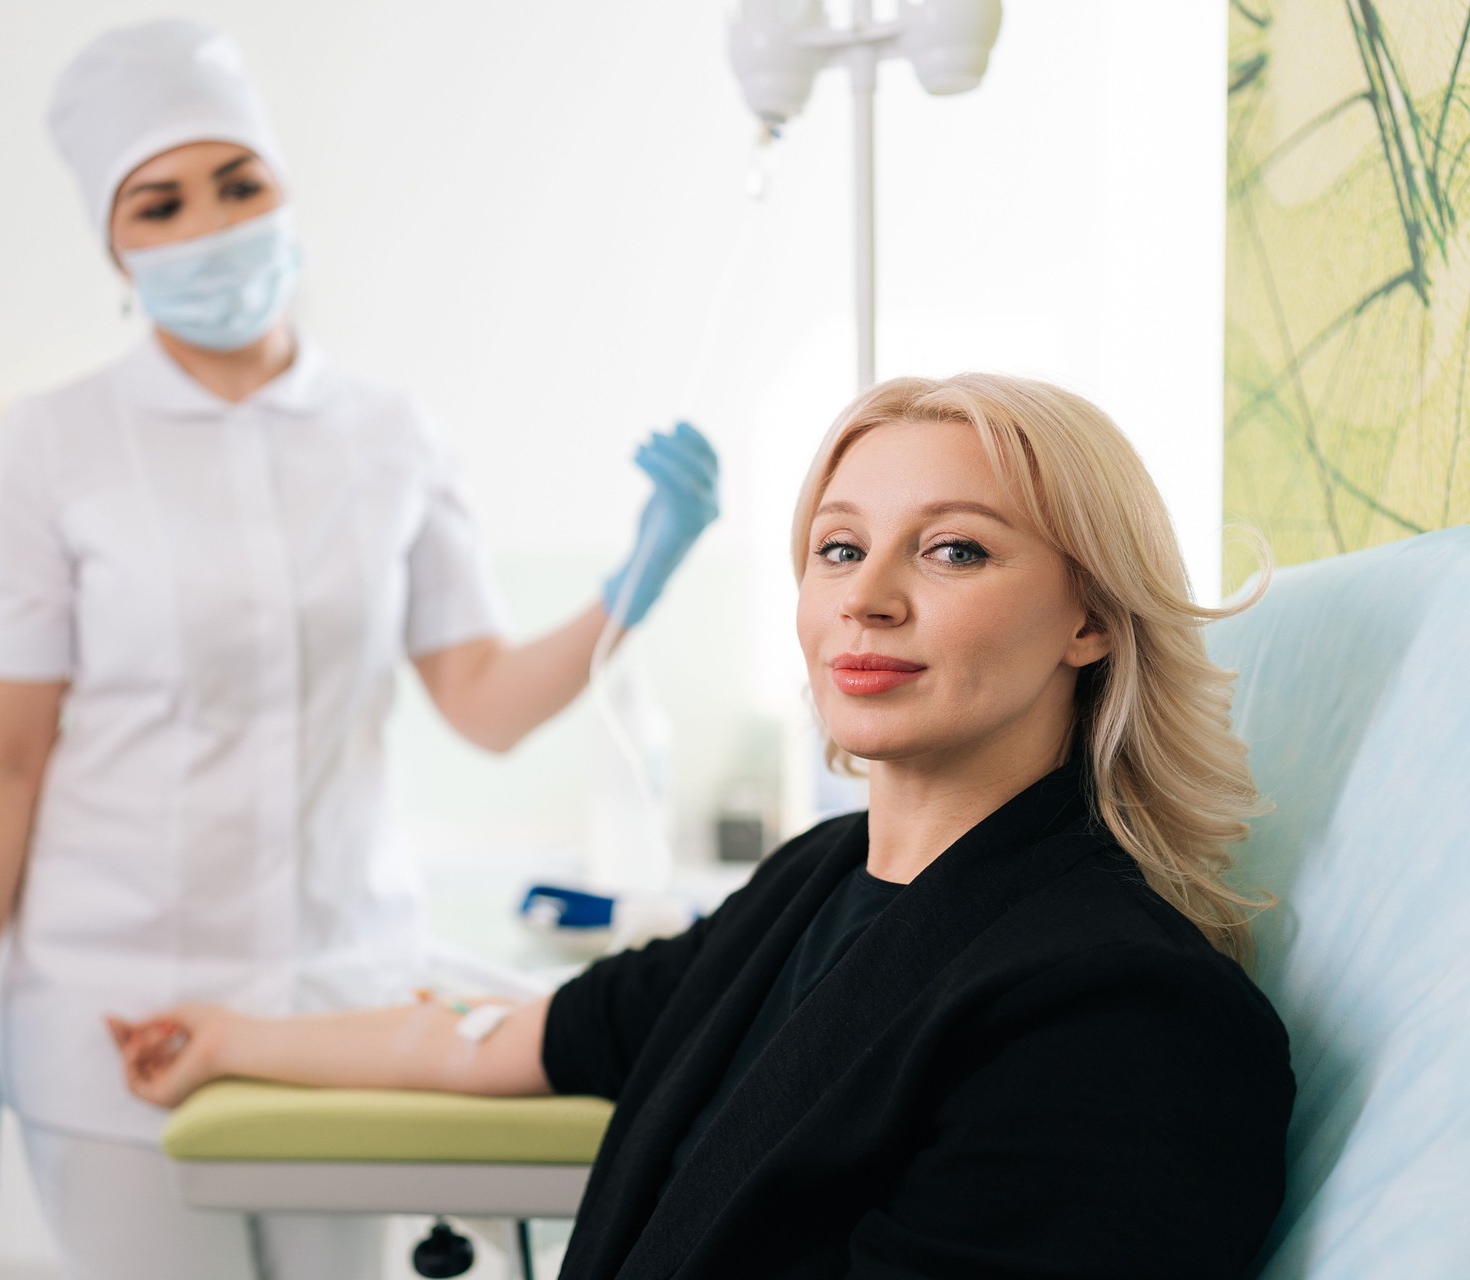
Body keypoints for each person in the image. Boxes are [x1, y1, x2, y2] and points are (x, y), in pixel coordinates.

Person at [111, 373, 1297, 1279]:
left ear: (1089, 619)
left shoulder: (1119, 1009)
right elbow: (495, 1039)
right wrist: (228, 1039)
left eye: (952, 548)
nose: (866, 595)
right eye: (839, 546)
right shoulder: (810, 887)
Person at [0, 19, 719, 1280]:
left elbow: (483, 700)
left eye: (240, 183)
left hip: (342, 1002)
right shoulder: (56, 445)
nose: (213, 224)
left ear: (287, 192)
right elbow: (1, 762)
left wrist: (630, 586)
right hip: (117, 1012)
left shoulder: (391, 435)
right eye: (160, 201)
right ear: (117, 247)